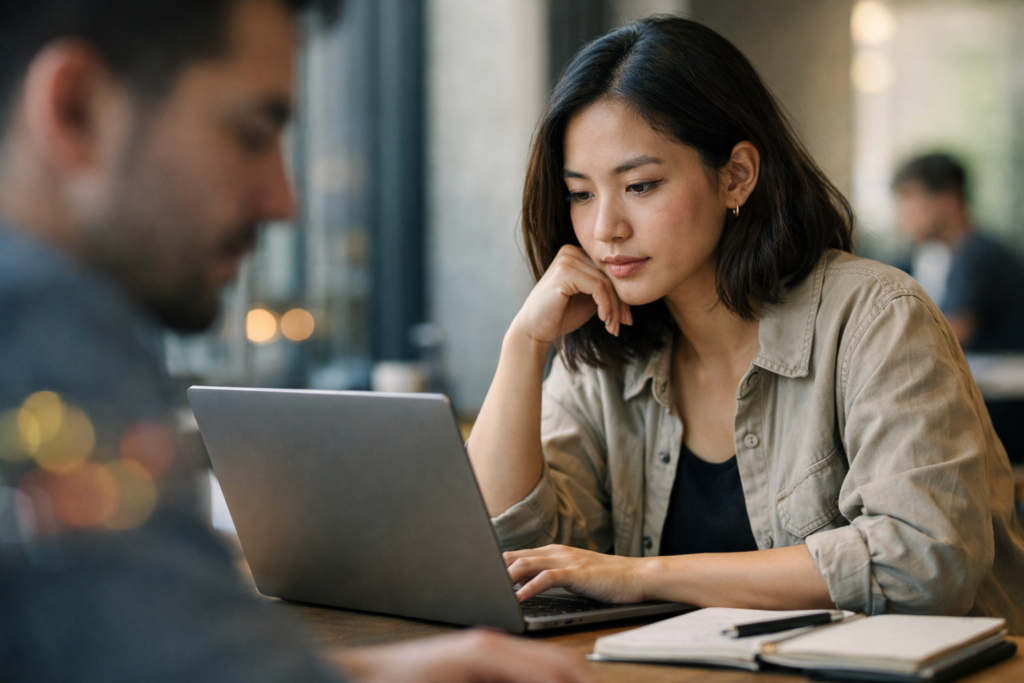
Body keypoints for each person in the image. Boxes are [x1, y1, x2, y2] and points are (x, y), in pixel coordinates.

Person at [0, 1, 594, 682]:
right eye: (252, 134)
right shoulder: (39, 328)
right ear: (75, 109)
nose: (285, 200)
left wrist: (372, 673)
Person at [466, 16, 1024, 634]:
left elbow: (922, 563)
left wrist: (642, 575)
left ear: (736, 176)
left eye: (641, 185)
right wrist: (523, 345)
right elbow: (505, 556)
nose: (605, 230)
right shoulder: (605, 350)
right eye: (580, 194)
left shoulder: (877, 317)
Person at [893, 153, 1024, 462]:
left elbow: (949, 336)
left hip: (1002, 416)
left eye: (910, 200)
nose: (902, 215)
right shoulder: (943, 257)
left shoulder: (980, 255)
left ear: (948, 200)